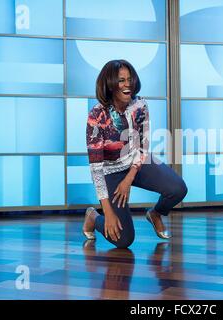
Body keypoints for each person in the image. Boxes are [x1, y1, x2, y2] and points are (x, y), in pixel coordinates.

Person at [82, 59, 187, 249]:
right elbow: (96, 168)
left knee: (178, 189)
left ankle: (155, 214)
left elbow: (143, 145)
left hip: (137, 162)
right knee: (123, 240)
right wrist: (107, 210)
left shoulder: (140, 105)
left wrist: (129, 178)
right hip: (111, 172)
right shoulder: (97, 115)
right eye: (121, 80)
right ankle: (93, 217)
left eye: (129, 79)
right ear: (110, 84)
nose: (127, 84)